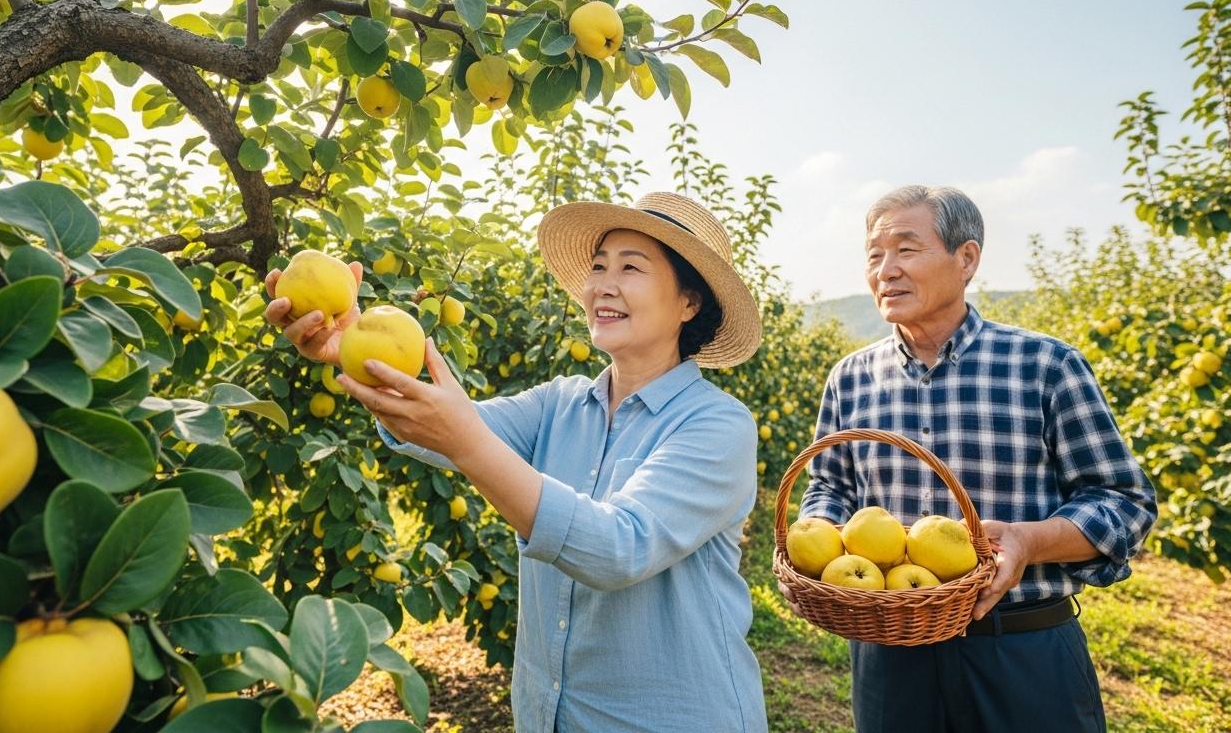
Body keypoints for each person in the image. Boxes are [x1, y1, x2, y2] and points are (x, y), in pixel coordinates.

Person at [265, 192, 769, 732]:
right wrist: (358, 347)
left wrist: (468, 445)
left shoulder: (717, 426)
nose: (603, 283)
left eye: (631, 267)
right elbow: (436, 427)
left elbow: (618, 548)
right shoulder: (560, 404)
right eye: (598, 266)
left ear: (688, 303)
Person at [796, 185, 1158, 732]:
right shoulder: (850, 378)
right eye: (874, 255)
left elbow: (1124, 502)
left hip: (1021, 648)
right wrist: (815, 534)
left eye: (906, 249)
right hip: (891, 655)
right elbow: (829, 485)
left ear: (966, 259)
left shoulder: (1045, 365)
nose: (885, 270)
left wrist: (1029, 540)